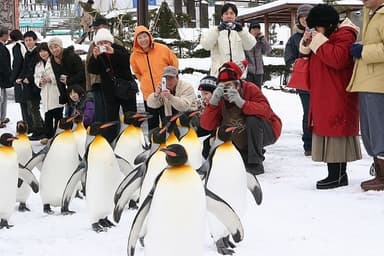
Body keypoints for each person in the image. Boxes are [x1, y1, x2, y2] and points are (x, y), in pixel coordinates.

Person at [300, 4, 362, 189]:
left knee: (336, 133)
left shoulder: (345, 34)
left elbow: (337, 59)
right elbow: (310, 55)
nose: (315, 30)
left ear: (327, 24)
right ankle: (334, 174)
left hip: (337, 93)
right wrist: (307, 42)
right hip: (324, 91)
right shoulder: (328, 36)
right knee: (327, 132)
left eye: (317, 27)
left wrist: (317, 40)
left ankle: (339, 176)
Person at [200, 60, 282, 175]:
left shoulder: (250, 89)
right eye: (222, 86)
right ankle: (247, 152)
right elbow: (207, 125)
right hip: (237, 133)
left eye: (229, 86)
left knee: (253, 120)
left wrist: (243, 103)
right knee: (208, 147)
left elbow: (266, 111)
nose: (226, 90)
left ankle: (256, 163)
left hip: (265, 131)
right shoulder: (219, 97)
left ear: (237, 84)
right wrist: (212, 104)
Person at [347, 0, 384, 191]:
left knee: (379, 130)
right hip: (369, 80)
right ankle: (378, 170)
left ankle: (383, 175)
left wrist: (364, 50)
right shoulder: (372, 14)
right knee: (370, 131)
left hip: (379, 83)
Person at [88, 28, 137, 142]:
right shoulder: (98, 54)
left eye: (105, 42)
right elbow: (92, 70)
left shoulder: (119, 49)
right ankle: (111, 140)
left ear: (110, 42)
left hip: (126, 88)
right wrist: (94, 57)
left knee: (130, 114)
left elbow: (128, 61)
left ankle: (133, 139)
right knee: (111, 117)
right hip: (109, 90)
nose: (103, 45)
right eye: (100, 43)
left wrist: (114, 53)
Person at [130, 25, 179, 131]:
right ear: (136, 40)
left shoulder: (163, 49)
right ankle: (154, 145)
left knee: (169, 122)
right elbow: (137, 73)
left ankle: (171, 143)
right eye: (140, 38)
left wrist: (171, 82)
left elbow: (174, 64)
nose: (143, 40)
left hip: (166, 92)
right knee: (152, 124)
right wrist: (145, 81)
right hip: (149, 96)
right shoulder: (134, 56)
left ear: (149, 36)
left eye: (145, 36)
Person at [284, 4, 313, 156]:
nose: (305, 20)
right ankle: (308, 144)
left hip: (320, 80)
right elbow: (288, 58)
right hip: (303, 82)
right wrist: (296, 63)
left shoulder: (319, 34)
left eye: (308, 17)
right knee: (308, 111)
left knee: (321, 112)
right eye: (302, 17)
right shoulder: (294, 38)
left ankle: (321, 143)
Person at [200, 3, 256, 77]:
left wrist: (241, 31)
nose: (229, 16)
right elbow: (206, 45)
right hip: (220, 74)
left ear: (235, 16)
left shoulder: (241, 31)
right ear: (222, 16)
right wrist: (217, 30)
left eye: (231, 13)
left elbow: (250, 45)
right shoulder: (214, 30)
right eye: (226, 13)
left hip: (238, 74)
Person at [16, 31, 44, 140]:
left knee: (34, 108)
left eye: (30, 40)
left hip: (35, 85)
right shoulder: (28, 53)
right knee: (31, 108)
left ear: (35, 40)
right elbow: (25, 68)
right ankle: (39, 127)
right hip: (28, 85)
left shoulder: (38, 53)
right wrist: (21, 78)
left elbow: (38, 70)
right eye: (26, 40)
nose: (28, 42)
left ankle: (39, 130)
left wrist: (30, 79)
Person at [34, 42, 63, 143]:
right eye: (40, 51)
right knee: (48, 116)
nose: (43, 53)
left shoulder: (55, 61)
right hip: (45, 92)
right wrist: (39, 82)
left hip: (55, 92)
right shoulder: (38, 65)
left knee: (58, 115)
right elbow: (36, 77)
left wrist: (51, 79)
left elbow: (60, 75)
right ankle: (47, 135)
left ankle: (58, 135)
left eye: (44, 51)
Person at [48, 37, 86, 106]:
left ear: (61, 46)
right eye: (51, 48)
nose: (54, 50)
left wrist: (68, 80)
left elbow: (81, 73)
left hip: (81, 88)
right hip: (70, 91)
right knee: (71, 114)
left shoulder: (72, 56)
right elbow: (58, 78)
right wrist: (63, 96)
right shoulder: (53, 60)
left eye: (56, 47)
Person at [196, 75, 218, 158]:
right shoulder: (202, 103)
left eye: (206, 93)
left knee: (208, 145)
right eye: (202, 94)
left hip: (218, 131)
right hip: (208, 128)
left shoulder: (221, 104)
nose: (203, 97)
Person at [245, 22, 272, 88]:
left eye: (257, 29)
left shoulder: (260, 41)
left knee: (257, 92)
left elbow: (268, 51)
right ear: (250, 30)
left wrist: (263, 38)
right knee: (249, 91)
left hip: (259, 72)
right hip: (248, 72)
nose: (255, 31)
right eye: (254, 29)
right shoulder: (246, 40)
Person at [0, 26, 11, 128]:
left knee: (3, 98)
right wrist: (9, 75)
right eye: (7, 34)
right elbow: (3, 64)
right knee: (1, 99)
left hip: (2, 77)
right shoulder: (1, 48)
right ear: (3, 35)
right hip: (1, 76)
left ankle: (2, 118)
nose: (8, 36)